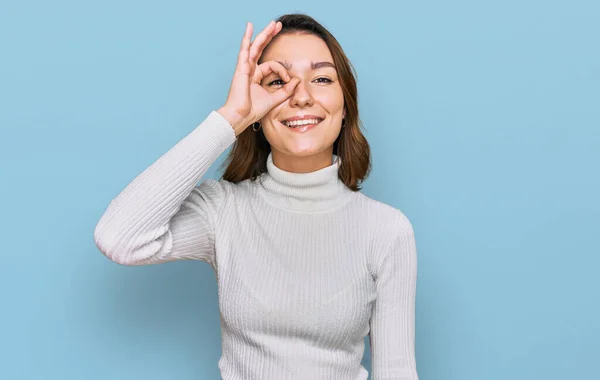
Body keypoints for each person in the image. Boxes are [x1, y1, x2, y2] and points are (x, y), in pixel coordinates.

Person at [94, 13, 419, 380]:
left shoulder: (387, 230)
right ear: (259, 113)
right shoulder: (223, 211)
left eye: (322, 78)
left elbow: (397, 372)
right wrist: (231, 118)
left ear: (345, 107)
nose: (301, 97)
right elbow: (118, 238)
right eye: (279, 81)